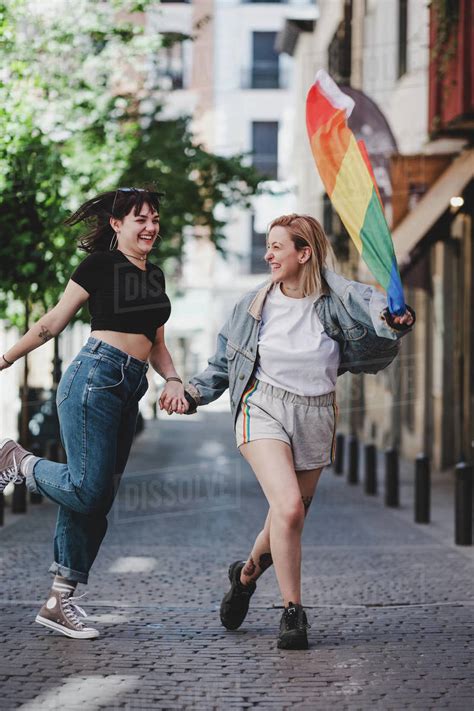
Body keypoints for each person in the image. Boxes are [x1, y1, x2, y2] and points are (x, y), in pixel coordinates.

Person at [181, 213, 415, 650]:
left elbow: (376, 308)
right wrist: (192, 393)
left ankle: (246, 574)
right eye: (268, 246)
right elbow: (221, 365)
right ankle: (293, 612)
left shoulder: (336, 300)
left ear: (304, 253)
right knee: (288, 508)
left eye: (277, 247)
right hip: (261, 406)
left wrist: (395, 320)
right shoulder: (252, 306)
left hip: (316, 414)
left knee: (288, 517)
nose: (268, 254)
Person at [0, 187, 188, 639]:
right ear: (117, 225)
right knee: (86, 488)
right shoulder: (99, 265)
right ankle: (17, 459)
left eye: (155, 218)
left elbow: (157, 344)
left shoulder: (156, 275)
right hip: (93, 379)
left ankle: (59, 601)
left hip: (130, 387)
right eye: (139, 219)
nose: (150, 227)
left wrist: (175, 380)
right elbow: (51, 323)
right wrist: (6, 358)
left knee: (95, 499)